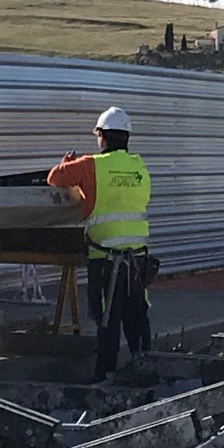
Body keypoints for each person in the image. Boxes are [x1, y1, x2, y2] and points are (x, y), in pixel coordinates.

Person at [47, 106, 153, 381]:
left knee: (108, 320)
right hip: (138, 259)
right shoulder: (139, 166)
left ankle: (106, 376)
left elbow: (55, 178)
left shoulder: (91, 165)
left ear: (102, 137)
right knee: (137, 315)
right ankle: (148, 368)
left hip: (106, 260)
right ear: (127, 137)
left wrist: (69, 164)